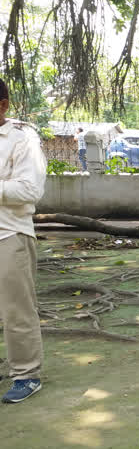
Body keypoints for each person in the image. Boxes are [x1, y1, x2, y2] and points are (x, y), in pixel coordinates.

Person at [0, 77, 47, 403]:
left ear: (3, 106)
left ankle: (26, 374)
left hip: (10, 235)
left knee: (17, 310)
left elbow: (29, 190)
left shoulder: (21, 139)